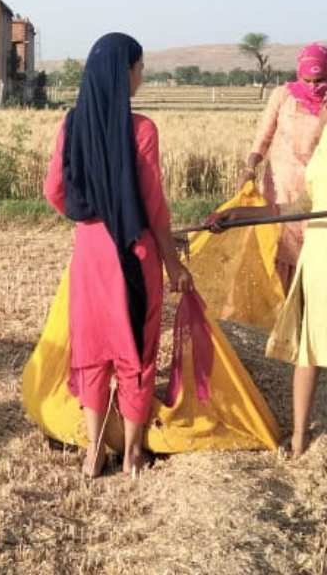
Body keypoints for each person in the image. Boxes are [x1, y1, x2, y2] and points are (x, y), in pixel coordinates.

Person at [43, 33, 192, 477]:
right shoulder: (143, 130)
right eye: (139, 69)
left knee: (92, 351)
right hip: (134, 254)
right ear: (122, 72)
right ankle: (131, 453)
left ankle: (93, 452)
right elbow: (154, 205)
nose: (141, 77)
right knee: (136, 353)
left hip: (89, 255)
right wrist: (172, 261)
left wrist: (93, 217)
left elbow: (54, 191)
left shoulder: (70, 125)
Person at [214, 103, 327, 458]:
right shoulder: (323, 146)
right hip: (318, 253)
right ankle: (297, 437)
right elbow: (303, 204)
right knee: (309, 346)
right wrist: (244, 213)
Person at [239, 43, 327, 289]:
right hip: (279, 186)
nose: (313, 86)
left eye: (319, 80)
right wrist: (249, 168)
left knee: (311, 252)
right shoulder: (282, 96)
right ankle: (282, 313)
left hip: (314, 191)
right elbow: (263, 137)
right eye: (307, 80)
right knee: (280, 249)